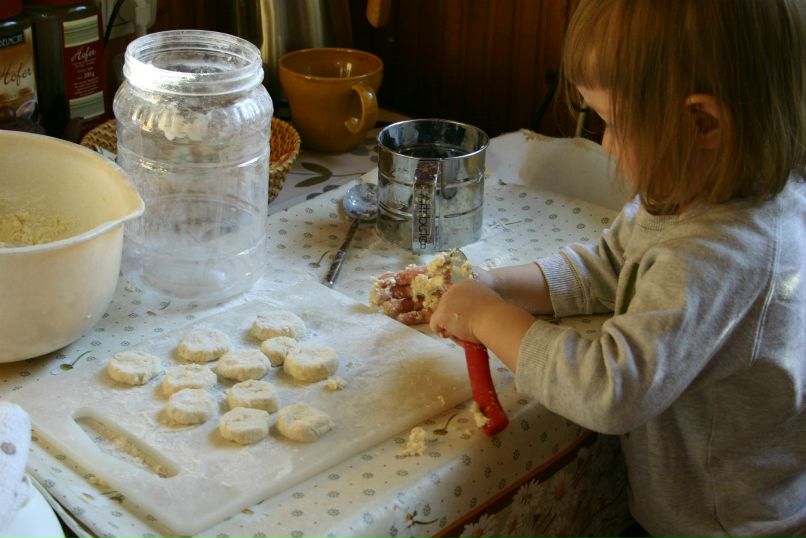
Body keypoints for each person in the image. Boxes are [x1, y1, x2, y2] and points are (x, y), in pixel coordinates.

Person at [375, 1, 806, 536]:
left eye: (615, 123)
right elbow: (609, 266)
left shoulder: (721, 255)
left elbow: (610, 389)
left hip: (723, 527)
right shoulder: (692, 190)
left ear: (702, 123)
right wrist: (496, 286)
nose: (604, 143)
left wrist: (489, 320)